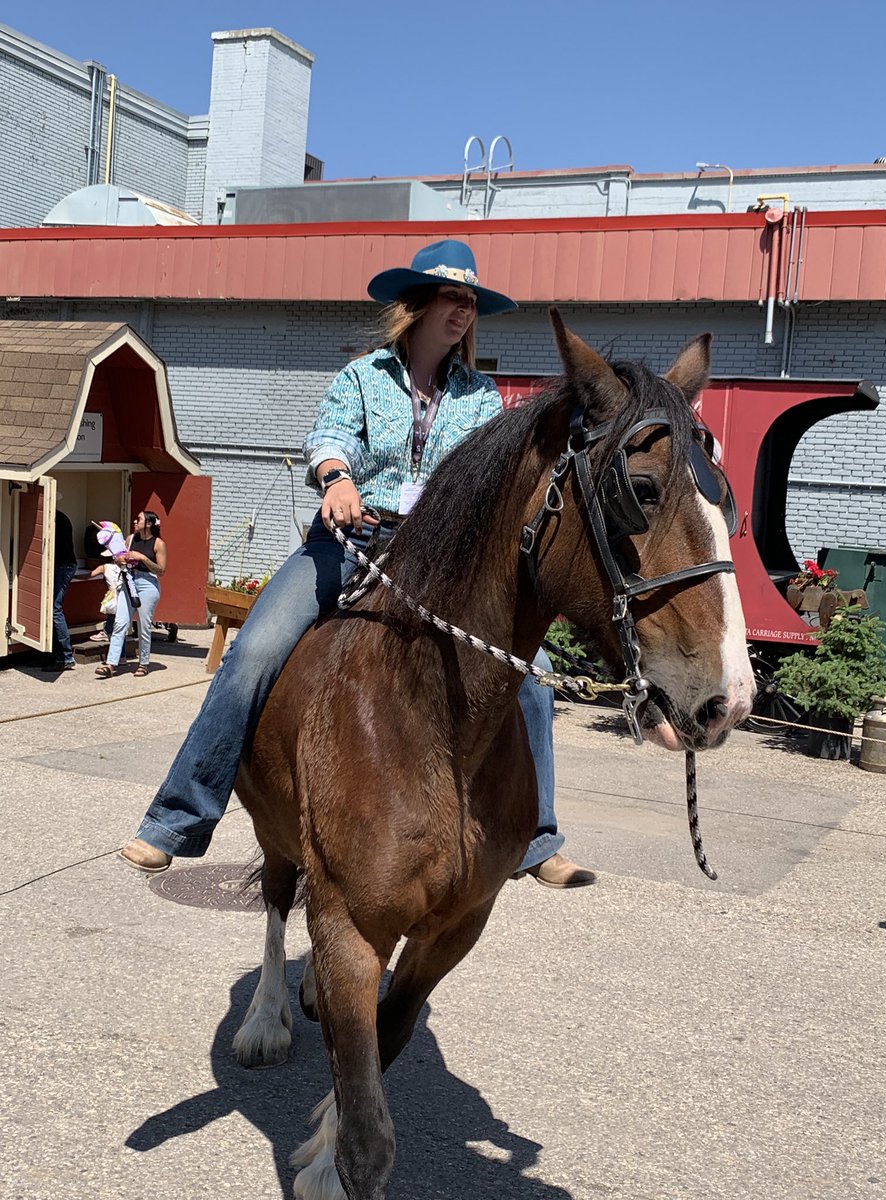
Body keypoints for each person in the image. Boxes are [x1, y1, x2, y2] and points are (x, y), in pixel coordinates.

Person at [120, 240, 595, 890]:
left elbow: (490, 478)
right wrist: (337, 478)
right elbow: (328, 437)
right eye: (451, 297)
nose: (462, 311)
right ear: (419, 303)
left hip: (438, 558)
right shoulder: (364, 376)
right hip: (347, 541)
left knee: (533, 675)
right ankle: (176, 819)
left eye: (470, 302)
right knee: (254, 652)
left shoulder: (480, 396)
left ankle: (537, 839)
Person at [96, 511, 166, 679]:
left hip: (147, 584)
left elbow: (161, 570)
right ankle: (111, 664)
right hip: (129, 581)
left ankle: (143, 663)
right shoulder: (130, 539)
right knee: (120, 623)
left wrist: (142, 558)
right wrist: (118, 560)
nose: (135, 521)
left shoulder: (158, 544)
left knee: (143, 625)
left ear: (148, 523)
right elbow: (119, 557)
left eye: (139, 519)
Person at [42, 509, 78, 672]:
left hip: (61, 565)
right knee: (53, 609)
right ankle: (56, 653)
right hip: (65, 564)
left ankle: (65, 656)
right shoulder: (62, 517)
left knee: (54, 609)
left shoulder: (53, 518)